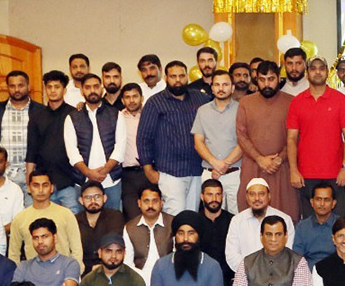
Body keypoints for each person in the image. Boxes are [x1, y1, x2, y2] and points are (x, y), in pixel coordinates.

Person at [139, 60, 211, 216]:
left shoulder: (201, 99)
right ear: (166, 78)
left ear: (187, 77)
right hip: (170, 172)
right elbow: (144, 138)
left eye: (181, 76)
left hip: (196, 169)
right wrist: (148, 170)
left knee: (191, 217)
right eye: (173, 76)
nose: (178, 80)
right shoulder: (155, 103)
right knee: (174, 217)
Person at [286, 56, 345, 216]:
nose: (317, 72)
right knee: (310, 222)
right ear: (307, 73)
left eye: (321, 68)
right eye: (313, 68)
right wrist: (293, 170)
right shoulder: (297, 102)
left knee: (338, 223)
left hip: (335, 174)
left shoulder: (340, 100)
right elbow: (291, 139)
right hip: (306, 175)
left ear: (327, 72)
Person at [235, 60, 295, 215]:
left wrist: (279, 159)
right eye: (262, 80)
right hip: (253, 165)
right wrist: (259, 159)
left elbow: (295, 136)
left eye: (271, 79)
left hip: (282, 167)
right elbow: (241, 135)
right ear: (256, 79)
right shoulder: (246, 102)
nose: (266, 84)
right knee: (250, 213)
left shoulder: (292, 102)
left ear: (279, 78)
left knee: (285, 212)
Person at [64, 73, 125, 211]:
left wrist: (105, 171)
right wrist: (88, 173)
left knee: (113, 220)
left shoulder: (116, 114)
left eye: (96, 86)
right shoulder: (72, 117)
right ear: (82, 91)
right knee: (84, 222)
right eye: (88, 87)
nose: (92, 90)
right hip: (83, 180)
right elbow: (72, 151)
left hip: (111, 180)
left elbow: (120, 147)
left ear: (102, 89)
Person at [25, 71, 79, 212]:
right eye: (49, 87)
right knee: (41, 220)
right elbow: (31, 151)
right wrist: (29, 180)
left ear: (64, 90)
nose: (53, 90)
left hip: (68, 181)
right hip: (43, 181)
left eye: (57, 87)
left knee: (72, 220)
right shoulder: (37, 116)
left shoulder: (75, 114)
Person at [0, 69, 43, 190]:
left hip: (32, 173)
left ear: (28, 87)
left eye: (21, 85)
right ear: (7, 88)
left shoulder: (40, 110)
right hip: (4, 173)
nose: (17, 90)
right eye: (12, 86)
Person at [7, 171, 84, 265]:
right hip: (33, 272)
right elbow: (13, 254)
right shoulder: (20, 218)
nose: (40, 190)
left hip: (63, 271)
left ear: (51, 188)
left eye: (45, 185)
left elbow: (76, 249)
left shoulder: (66, 214)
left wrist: (75, 271)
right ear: (29, 189)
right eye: (36, 185)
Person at [222, 178, 295, 272]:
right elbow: (232, 254)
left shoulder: (284, 219)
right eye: (252, 194)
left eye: (261, 194)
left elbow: (288, 251)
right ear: (247, 197)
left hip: (278, 274)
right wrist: (250, 272)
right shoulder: (237, 221)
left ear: (269, 196)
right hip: (245, 275)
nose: (257, 198)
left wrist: (270, 272)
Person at [125, 184, 173, 279]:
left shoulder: (173, 223)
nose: (150, 205)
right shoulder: (129, 228)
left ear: (161, 203)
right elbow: (127, 262)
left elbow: (178, 256)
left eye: (155, 201)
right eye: (146, 201)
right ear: (139, 203)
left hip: (168, 276)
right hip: (140, 278)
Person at [75, 181, 125, 270]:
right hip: (82, 269)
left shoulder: (115, 216)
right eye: (88, 197)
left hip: (110, 267)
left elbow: (114, 244)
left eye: (97, 196)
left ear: (104, 198)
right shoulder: (75, 220)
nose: (93, 201)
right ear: (81, 200)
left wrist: (102, 266)